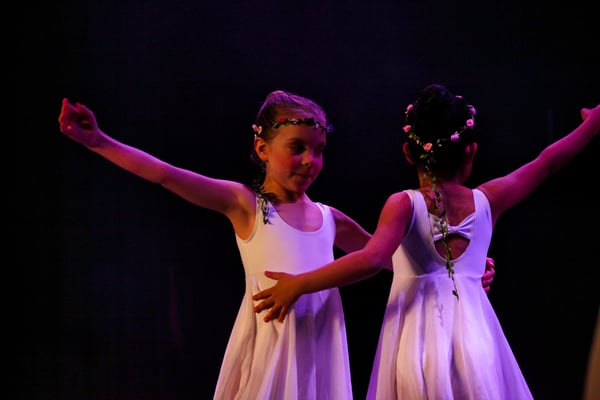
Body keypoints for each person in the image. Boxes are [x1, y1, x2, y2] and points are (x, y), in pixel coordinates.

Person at [57, 89, 495, 399]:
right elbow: (165, 174)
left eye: (318, 150)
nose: (310, 160)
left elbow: (392, 258)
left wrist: (468, 267)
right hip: (271, 345)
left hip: (319, 348)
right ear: (262, 147)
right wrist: (99, 141)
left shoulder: (329, 218)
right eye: (297, 147)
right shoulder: (245, 204)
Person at [253, 84, 600, 399]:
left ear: (408, 152)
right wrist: (592, 125)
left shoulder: (404, 204)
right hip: (479, 342)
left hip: (417, 345)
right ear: (471, 152)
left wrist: (299, 284)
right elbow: (546, 164)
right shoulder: (489, 200)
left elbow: (372, 258)